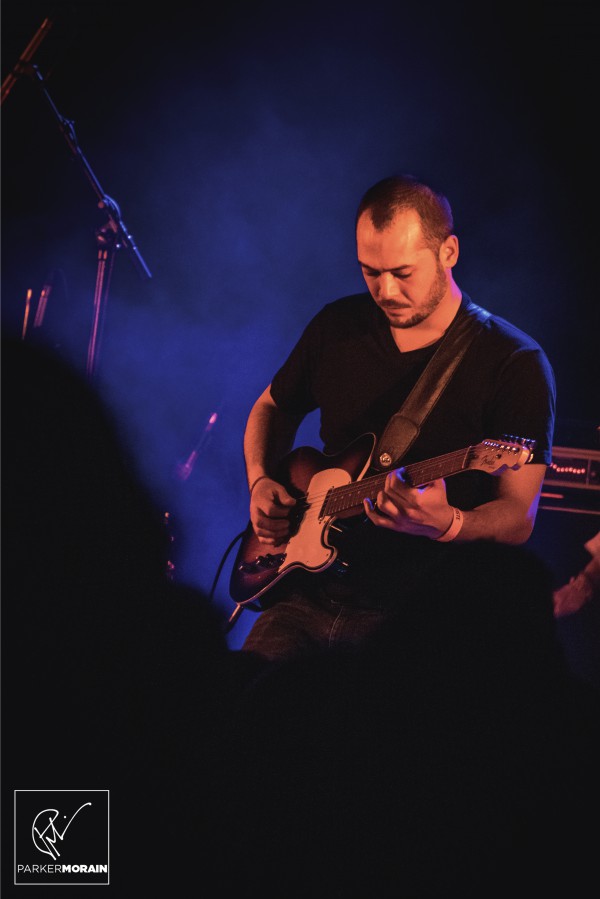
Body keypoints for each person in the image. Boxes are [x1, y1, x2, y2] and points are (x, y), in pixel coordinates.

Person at [237, 173, 556, 662]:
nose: (384, 290)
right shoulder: (336, 325)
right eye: (370, 271)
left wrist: (448, 523)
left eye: (402, 273)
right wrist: (260, 480)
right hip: (302, 595)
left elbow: (517, 516)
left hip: (417, 617)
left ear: (448, 252)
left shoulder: (514, 362)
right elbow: (272, 405)